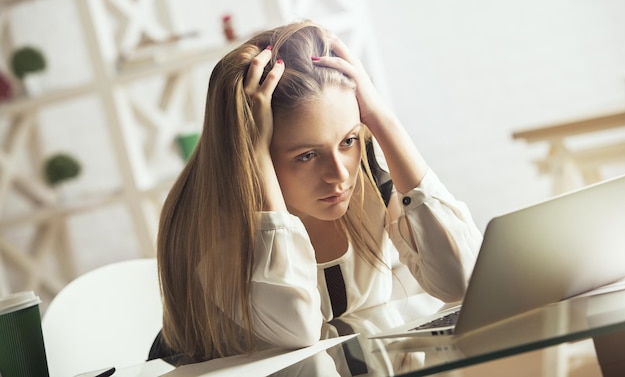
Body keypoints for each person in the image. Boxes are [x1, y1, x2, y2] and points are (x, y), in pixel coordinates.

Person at [156, 21, 482, 363]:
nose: (338, 175)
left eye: (348, 141)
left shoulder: (371, 189)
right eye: (306, 155)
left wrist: (380, 117)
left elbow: (461, 281)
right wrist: (254, 155)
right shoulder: (215, 226)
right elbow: (298, 332)